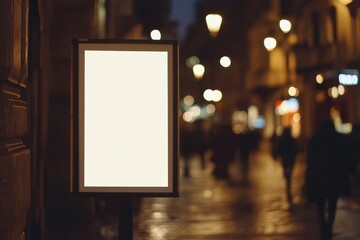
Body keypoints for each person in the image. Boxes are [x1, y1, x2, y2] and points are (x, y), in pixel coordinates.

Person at [305, 119, 350, 240]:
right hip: (334, 177)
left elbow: (310, 160)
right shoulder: (338, 139)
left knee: (320, 204)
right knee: (332, 203)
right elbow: (344, 159)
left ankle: (323, 225)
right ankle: (329, 225)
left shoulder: (315, 140)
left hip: (319, 177)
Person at [277, 127, 297, 202]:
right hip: (290, 159)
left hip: (285, 159)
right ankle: (288, 180)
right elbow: (295, 149)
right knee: (289, 172)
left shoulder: (282, 139)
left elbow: (279, 149)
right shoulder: (291, 139)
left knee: (286, 172)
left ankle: (287, 179)